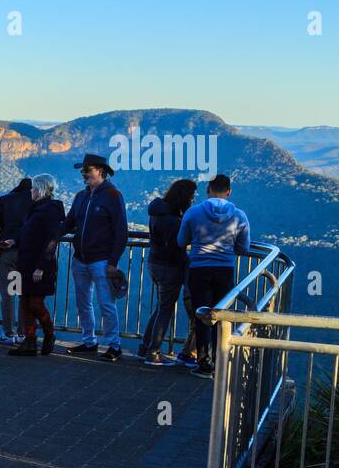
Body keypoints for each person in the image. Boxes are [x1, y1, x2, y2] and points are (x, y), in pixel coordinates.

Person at [178, 174, 250, 380]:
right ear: (229, 192)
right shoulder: (239, 216)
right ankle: (221, 362)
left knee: (203, 315)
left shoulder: (194, 212)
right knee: (222, 315)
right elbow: (244, 247)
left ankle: (204, 363)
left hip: (199, 268)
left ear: (208, 189)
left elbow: (181, 240)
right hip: (225, 269)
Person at [60, 153, 128, 361]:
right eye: (83, 171)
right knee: (83, 303)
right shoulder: (81, 196)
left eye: (87, 170)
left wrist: (113, 262)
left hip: (101, 260)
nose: (83, 174)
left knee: (106, 303)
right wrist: (52, 236)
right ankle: (89, 341)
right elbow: (70, 222)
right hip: (80, 258)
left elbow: (121, 231)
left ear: (100, 171)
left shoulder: (113, 196)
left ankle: (114, 345)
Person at [140, 179, 198, 368]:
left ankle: (145, 347)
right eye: (191, 196)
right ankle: (153, 352)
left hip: (154, 263)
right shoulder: (173, 220)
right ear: (184, 197)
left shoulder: (157, 212)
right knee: (165, 310)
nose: (192, 200)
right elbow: (177, 246)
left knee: (161, 307)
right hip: (169, 267)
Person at [8, 174, 65, 356]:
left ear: (40, 189)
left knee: (35, 303)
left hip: (39, 266)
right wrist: (13, 242)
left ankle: (49, 333)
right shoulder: (36, 209)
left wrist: (41, 266)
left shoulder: (50, 211)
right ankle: (30, 341)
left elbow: (51, 240)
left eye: (33, 188)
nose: (31, 191)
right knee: (24, 301)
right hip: (25, 263)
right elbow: (29, 234)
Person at [0, 177, 34, 345]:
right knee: (24, 295)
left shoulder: (5, 200)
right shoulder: (36, 202)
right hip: (28, 254)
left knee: (9, 294)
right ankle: (22, 333)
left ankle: (8, 333)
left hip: (7, 253)